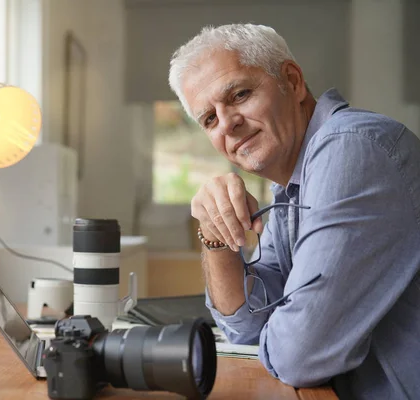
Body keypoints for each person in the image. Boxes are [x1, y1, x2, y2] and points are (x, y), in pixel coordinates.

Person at [168, 24, 420, 399]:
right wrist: (215, 235)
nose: (228, 124)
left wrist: (281, 324)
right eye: (209, 119)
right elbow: (246, 326)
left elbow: (299, 354)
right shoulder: (291, 184)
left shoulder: (350, 149)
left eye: (239, 94)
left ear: (293, 81)